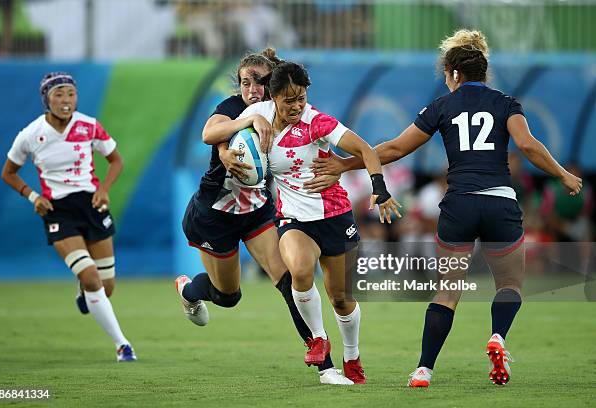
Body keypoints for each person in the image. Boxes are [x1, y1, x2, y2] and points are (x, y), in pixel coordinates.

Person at [308, 29, 583, 387]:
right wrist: (562, 175)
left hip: (459, 206)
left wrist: (344, 165)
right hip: (500, 202)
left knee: (447, 291)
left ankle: (423, 369)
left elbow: (392, 149)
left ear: (454, 74)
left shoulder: (442, 105)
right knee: (510, 284)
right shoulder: (506, 103)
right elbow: (528, 146)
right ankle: (498, 337)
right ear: (484, 73)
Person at [174, 49, 349, 385]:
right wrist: (245, 124)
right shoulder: (232, 108)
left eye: (260, 81)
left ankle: (325, 365)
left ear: (274, 84)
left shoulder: (285, 110)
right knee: (229, 296)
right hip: (215, 215)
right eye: (245, 81)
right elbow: (210, 135)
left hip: (257, 211)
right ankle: (189, 291)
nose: (252, 88)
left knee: (288, 280)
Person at [237, 61, 401, 384]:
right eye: (289, 99)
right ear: (273, 96)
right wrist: (228, 153)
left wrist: (379, 189)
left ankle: (352, 357)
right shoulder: (257, 117)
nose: (297, 105)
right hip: (293, 218)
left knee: (340, 297)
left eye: (302, 97)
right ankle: (317, 338)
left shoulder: (317, 122)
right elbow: (215, 133)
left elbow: (366, 150)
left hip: (334, 216)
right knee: (298, 270)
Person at [1, 72, 136, 362]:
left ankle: (85, 290)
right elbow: (8, 173)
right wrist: (32, 196)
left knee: (106, 286)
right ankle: (122, 345)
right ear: (46, 99)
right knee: (91, 277)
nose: (65, 101)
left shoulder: (89, 126)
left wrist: (104, 189)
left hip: (92, 206)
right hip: (57, 211)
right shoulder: (30, 134)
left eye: (70, 94)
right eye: (58, 94)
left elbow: (116, 161)